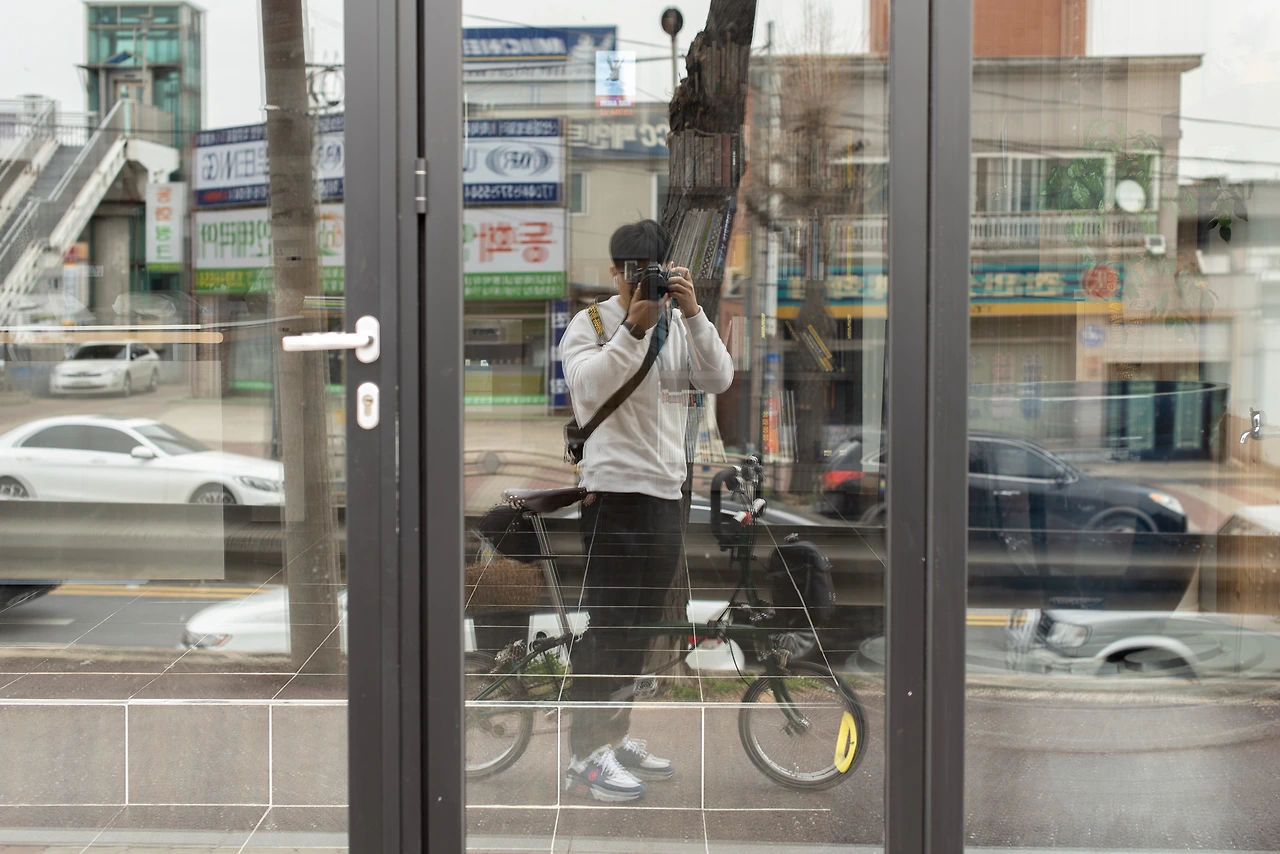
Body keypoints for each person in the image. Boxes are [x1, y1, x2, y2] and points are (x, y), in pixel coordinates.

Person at [559, 219, 734, 801]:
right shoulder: (590, 325)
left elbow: (719, 377)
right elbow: (588, 389)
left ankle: (613, 735)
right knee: (609, 627)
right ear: (615, 272)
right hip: (613, 496)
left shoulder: (681, 326)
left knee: (638, 630)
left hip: (666, 495)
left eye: (651, 270)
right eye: (631, 271)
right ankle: (585, 755)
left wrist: (694, 313)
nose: (640, 281)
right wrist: (634, 327)